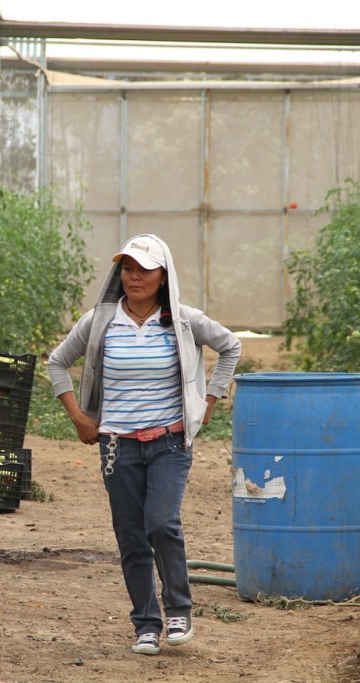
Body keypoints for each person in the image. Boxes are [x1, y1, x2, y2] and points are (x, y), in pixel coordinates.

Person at [46, 233, 241, 656]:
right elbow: (57, 362)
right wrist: (79, 417)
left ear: (162, 275)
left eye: (144, 269)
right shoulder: (100, 321)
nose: (134, 277)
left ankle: (178, 611)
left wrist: (209, 399)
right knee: (131, 537)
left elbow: (231, 346)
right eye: (127, 269)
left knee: (161, 523)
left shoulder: (184, 320)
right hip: (118, 448)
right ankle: (146, 623)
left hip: (170, 444)